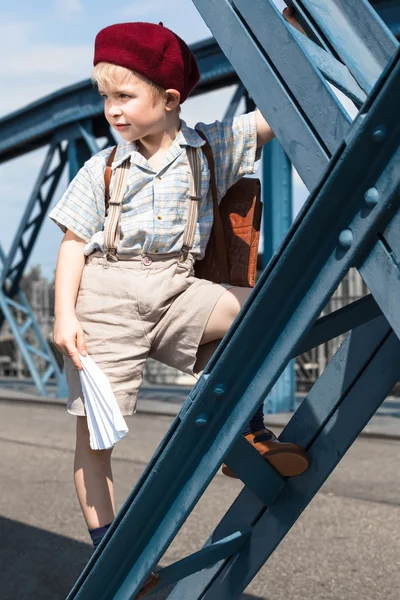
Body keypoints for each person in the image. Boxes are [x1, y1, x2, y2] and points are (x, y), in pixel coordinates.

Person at [49, 8, 309, 556]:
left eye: (124, 97)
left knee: (260, 310)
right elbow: (73, 245)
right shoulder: (101, 169)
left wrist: (296, 39)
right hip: (105, 300)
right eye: (104, 98)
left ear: (169, 99)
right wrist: (64, 316)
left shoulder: (212, 148)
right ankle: (109, 549)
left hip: (175, 290)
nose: (111, 110)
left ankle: (247, 428)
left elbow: (275, 114)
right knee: (96, 439)